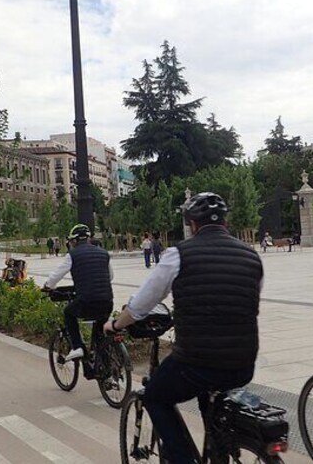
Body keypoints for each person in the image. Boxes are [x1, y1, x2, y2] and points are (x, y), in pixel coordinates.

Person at [104, 192, 263, 464]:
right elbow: (249, 303)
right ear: (226, 222)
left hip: (196, 362)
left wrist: (115, 324)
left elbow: (142, 304)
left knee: (155, 396)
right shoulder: (251, 256)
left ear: (192, 224)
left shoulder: (179, 254)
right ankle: (218, 452)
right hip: (243, 361)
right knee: (213, 405)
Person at [44, 224, 115, 362]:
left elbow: (56, 276)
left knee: (69, 313)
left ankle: (77, 347)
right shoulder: (103, 253)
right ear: (88, 238)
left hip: (86, 301)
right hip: (107, 301)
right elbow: (111, 276)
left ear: (74, 241)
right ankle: (107, 370)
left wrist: (48, 286)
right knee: (100, 334)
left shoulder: (72, 255)